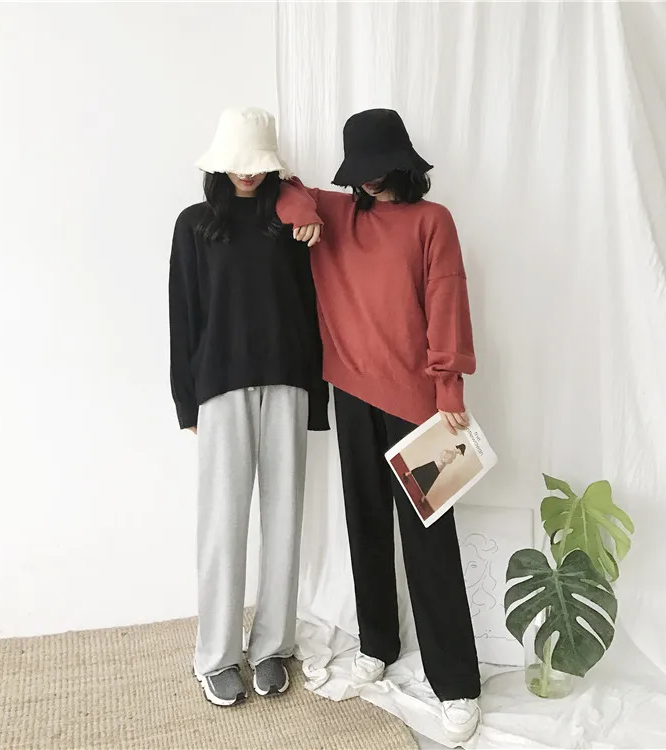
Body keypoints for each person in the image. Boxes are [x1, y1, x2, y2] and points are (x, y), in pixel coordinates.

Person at [275, 109, 481, 742]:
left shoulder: (432, 220)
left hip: (420, 401)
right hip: (352, 392)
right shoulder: (339, 214)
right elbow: (286, 190)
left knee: (430, 539)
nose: (367, 181)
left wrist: (449, 385)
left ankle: (457, 682)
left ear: (402, 162)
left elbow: (447, 298)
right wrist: (300, 211)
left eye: (376, 168)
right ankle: (377, 644)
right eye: (358, 171)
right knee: (364, 522)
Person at [168, 107, 328, 707]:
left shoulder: (289, 222)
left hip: (288, 380)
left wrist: (317, 396)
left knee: (285, 517)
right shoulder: (194, 225)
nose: (247, 175)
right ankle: (215, 655)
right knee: (223, 522)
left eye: (257, 164)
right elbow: (182, 314)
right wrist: (186, 401)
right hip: (221, 386)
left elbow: (312, 309)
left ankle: (272, 646)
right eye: (237, 163)